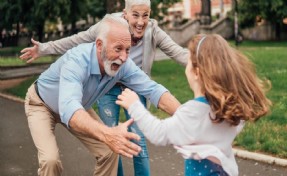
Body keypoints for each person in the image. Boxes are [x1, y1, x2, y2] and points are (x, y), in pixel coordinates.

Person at [20, 0, 188, 175]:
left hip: (79, 106)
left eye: (128, 50)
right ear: (99, 45)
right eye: (118, 49)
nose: (123, 58)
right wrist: (108, 134)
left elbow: (154, 90)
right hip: (42, 104)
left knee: (109, 152)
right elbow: (69, 108)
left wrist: (186, 116)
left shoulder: (124, 64)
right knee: (50, 160)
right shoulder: (77, 61)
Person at [116, 34, 272, 176]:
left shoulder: (193, 112)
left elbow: (158, 133)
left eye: (188, 62)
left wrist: (134, 105)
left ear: (196, 72)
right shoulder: (230, 108)